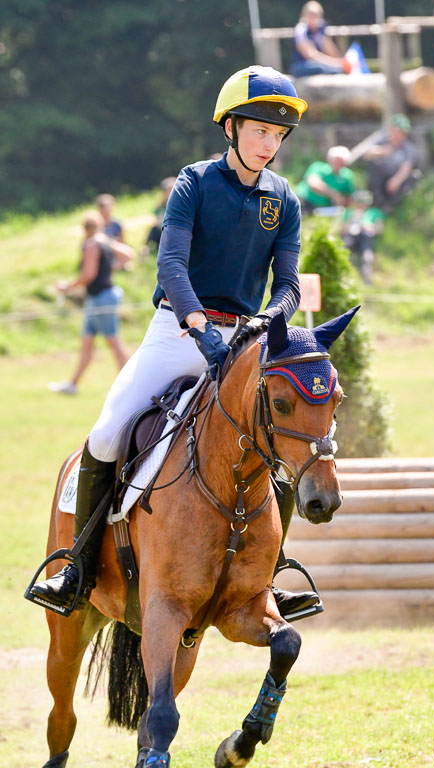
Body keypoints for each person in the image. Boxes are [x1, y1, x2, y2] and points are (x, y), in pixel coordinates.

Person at [30, 65, 320, 620]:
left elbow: (286, 283)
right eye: (260, 130)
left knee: (274, 450)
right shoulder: (195, 183)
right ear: (231, 128)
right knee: (109, 432)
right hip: (177, 330)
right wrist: (197, 325)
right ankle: (78, 566)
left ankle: (271, 574)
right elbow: (171, 263)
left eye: (279, 136)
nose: (270, 144)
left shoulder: (283, 198)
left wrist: (267, 322)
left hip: (243, 339)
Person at [48, 211, 134, 395]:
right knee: (87, 342)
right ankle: (73, 384)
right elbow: (128, 254)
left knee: (114, 342)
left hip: (101, 298)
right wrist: (110, 269)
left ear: (84, 228)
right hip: (100, 298)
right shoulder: (105, 240)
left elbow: (89, 274)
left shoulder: (91, 244)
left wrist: (67, 287)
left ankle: (130, 385)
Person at [364, 114, 419, 212]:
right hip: (381, 178)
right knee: (374, 166)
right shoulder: (382, 140)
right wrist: (382, 151)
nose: (402, 134)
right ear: (392, 130)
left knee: (413, 176)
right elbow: (367, 154)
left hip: (396, 178)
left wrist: (396, 180)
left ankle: (393, 206)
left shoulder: (408, 147)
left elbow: (407, 167)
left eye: (404, 132)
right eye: (399, 131)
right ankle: (377, 203)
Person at [289, 1, 344, 77]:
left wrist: (340, 62)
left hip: (317, 63)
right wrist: (334, 63)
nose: (313, 18)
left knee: (334, 69)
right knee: (322, 68)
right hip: (300, 65)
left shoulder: (319, 30)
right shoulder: (301, 30)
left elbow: (331, 52)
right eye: (311, 15)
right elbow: (310, 55)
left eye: (316, 15)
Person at [341, 190, 384, 285]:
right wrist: (352, 218)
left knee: (367, 257)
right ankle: (342, 278)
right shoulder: (349, 212)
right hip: (350, 236)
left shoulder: (374, 212)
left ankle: (367, 281)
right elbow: (343, 230)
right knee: (342, 250)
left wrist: (369, 227)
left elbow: (380, 229)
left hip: (365, 237)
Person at [295, 146, 355, 214]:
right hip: (302, 200)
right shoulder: (318, 167)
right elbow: (314, 184)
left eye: (341, 160)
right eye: (336, 160)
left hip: (323, 207)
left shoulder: (347, 175)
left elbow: (348, 196)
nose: (338, 163)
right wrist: (335, 195)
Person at [140, 177, 176, 260]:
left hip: (173, 234)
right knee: (154, 229)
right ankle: (145, 249)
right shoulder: (160, 207)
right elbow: (155, 219)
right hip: (161, 233)